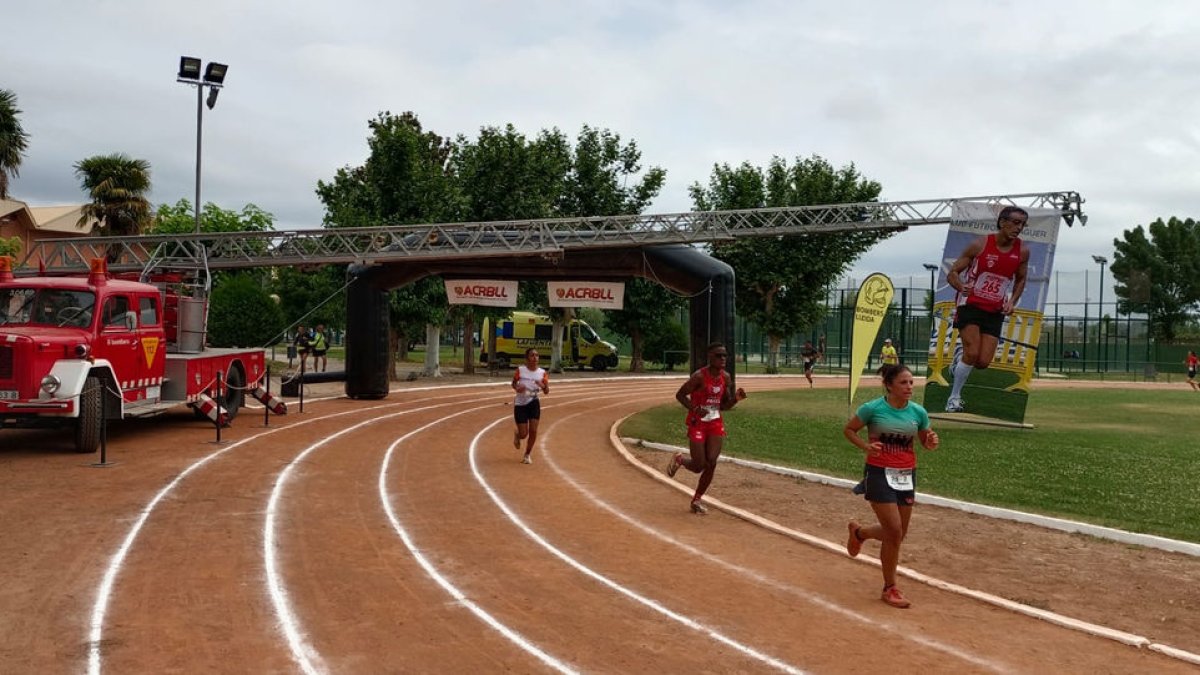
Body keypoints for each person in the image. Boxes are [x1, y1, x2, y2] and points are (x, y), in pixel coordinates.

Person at [843, 364, 940, 609]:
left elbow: (925, 441)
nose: (909, 387)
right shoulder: (872, 409)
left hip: (906, 475)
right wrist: (866, 447)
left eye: (911, 383)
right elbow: (849, 429)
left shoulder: (918, 412)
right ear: (889, 385)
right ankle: (890, 588)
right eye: (903, 383)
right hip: (878, 473)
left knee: (898, 534)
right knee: (894, 530)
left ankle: (860, 533)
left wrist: (931, 441)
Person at [943, 206, 1031, 412]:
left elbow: (1021, 279)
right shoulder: (980, 245)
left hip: (995, 310)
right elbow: (953, 272)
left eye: (1023, 225)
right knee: (972, 354)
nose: (1019, 228)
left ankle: (959, 357)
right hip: (970, 305)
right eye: (1016, 222)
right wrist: (961, 286)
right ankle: (953, 398)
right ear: (1002, 222)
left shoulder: (1022, 251)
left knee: (982, 362)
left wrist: (1012, 301)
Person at [665, 342, 747, 514]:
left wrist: (736, 399)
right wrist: (695, 409)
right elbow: (680, 395)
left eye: (725, 355)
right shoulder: (699, 377)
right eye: (718, 355)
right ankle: (680, 460)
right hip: (698, 422)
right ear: (710, 357)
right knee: (698, 465)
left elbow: (724, 405)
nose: (723, 358)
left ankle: (696, 500)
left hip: (715, 422)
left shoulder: (726, 377)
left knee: (711, 463)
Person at [512, 348, 549, 464]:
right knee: (524, 434)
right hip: (520, 404)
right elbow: (513, 383)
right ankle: (518, 435)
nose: (535, 358)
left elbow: (547, 391)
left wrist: (543, 386)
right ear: (527, 358)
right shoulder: (520, 370)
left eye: (537, 355)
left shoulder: (542, 373)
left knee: (533, 430)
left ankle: (527, 454)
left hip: (533, 402)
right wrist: (517, 387)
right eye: (532, 355)